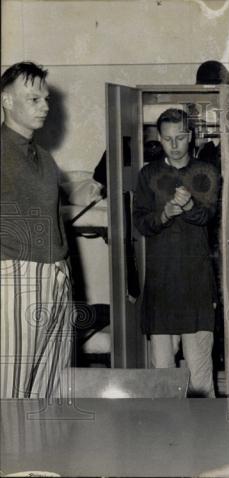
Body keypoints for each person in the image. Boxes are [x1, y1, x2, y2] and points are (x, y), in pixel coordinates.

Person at [133, 108, 220, 397]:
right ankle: (164, 438)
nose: (174, 145)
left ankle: (209, 437)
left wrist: (188, 207)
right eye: (168, 138)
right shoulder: (148, 173)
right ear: (159, 138)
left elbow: (208, 216)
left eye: (180, 137)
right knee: (163, 376)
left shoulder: (206, 171)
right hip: (161, 285)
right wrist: (165, 213)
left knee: (200, 375)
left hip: (196, 284)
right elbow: (141, 222)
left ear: (191, 136)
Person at [0, 61, 74, 398]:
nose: (44, 106)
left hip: (56, 276)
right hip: (15, 278)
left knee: (49, 388)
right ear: (6, 101)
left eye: (45, 99)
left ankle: (42, 452)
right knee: (11, 389)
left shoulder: (45, 158)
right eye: (33, 99)